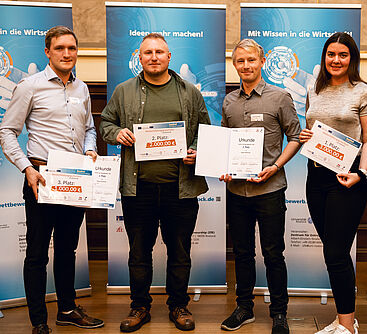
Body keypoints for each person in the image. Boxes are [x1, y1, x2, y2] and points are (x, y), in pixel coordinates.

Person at [99, 33, 210, 332]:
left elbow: (204, 130)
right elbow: (105, 123)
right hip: (138, 189)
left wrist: (196, 150)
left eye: (159, 52)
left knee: (179, 251)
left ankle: (178, 305)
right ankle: (140, 307)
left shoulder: (189, 92)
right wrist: (116, 133)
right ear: (140, 56)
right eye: (148, 52)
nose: (154, 57)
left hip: (181, 188)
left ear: (169, 56)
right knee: (138, 252)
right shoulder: (124, 91)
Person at [0, 26, 103, 334]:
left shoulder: (82, 88)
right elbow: (7, 131)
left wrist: (90, 149)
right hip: (40, 179)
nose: (67, 53)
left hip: (75, 180)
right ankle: (39, 322)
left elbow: (89, 129)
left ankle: (67, 310)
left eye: (72, 48)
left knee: (68, 249)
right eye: (60, 48)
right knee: (37, 253)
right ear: (47, 52)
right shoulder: (29, 86)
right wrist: (26, 168)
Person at [299, 33, 367, 334]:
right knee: (335, 252)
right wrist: (307, 136)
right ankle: (345, 318)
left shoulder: (363, 92)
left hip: (347, 179)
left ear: (352, 59)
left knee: (334, 253)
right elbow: (312, 129)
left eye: (343, 55)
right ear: (324, 57)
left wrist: (361, 172)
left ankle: (347, 325)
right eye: (331, 54)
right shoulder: (313, 88)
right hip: (315, 176)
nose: (336, 60)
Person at [219, 39, 301, 334]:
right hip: (236, 192)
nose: (246, 66)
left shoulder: (280, 97)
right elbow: (225, 144)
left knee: (273, 253)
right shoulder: (229, 101)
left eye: (251, 60)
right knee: (242, 253)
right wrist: (223, 168)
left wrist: (275, 167)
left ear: (262, 61)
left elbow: (295, 137)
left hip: (269, 190)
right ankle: (244, 308)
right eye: (240, 61)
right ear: (235, 65)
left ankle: (279, 312)